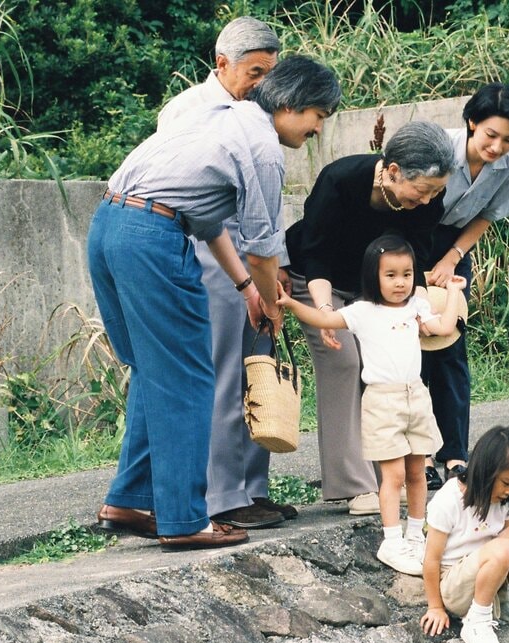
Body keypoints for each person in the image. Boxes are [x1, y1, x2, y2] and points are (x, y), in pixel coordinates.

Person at [90, 57, 341, 551]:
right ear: (290, 104)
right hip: (153, 239)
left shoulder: (220, 117)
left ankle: (130, 499)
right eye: (319, 115)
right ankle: (184, 520)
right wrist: (270, 301)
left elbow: (209, 222)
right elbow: (263, 247)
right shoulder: (265, 149)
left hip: (109, 225)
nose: (318, 127)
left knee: (151, 368)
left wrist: (247, 289)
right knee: (187, 378)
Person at [156, 17, 292, 529]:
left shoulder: (263, 117)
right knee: (222, 373)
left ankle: (253, 488)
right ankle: (222, 495)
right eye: (254, 72)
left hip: (256, 254)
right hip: (210, 250)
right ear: (222, 64)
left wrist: (277, 271)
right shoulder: (188, 110)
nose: (263, 83)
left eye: (270, 73)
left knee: (260, 366)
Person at [284, 121, 455, 516]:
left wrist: (422, 314)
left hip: (374, 290)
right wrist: (326, 312)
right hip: (314, 281)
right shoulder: (341, 179)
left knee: (383, 369)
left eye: (437, 191)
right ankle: (354, 486)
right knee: (343, 361)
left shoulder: (429, 204)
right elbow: (316, 255)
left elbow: (417, 262)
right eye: (423, 190)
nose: (429, 201)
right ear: (393, 171)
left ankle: (388, 478)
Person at [279, 235, 466, 574]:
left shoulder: (416, 308)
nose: (400, 282)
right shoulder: (363, 311)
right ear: (373, 276)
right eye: (390, 275)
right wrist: (291, 305)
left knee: (417, 472)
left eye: (407, 274)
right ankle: (392, 539)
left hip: (416, 397)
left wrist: (453, 292)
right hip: (382, 401)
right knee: (392, 475)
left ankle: (415, 535)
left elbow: (445, 326)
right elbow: (325, 321)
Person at [421, 84, 509, 491]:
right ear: (472, 123)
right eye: (491, 135)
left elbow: (486, 216)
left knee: (450, 350)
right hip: (408, 247)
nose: (497, 146)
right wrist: (418, 267)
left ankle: (454, 453)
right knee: (412, 352)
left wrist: (451, 258)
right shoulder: (438, 149)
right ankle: (417, 457)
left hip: (453, 249)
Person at [419, 425, 509, 643]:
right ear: (485, 471)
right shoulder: (449, 500)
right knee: (503, 548)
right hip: (455, 586)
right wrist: (436, 607)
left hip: (490, 578)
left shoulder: (503, 501)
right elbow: (431, 559)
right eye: (506, 483)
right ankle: (476, 621)